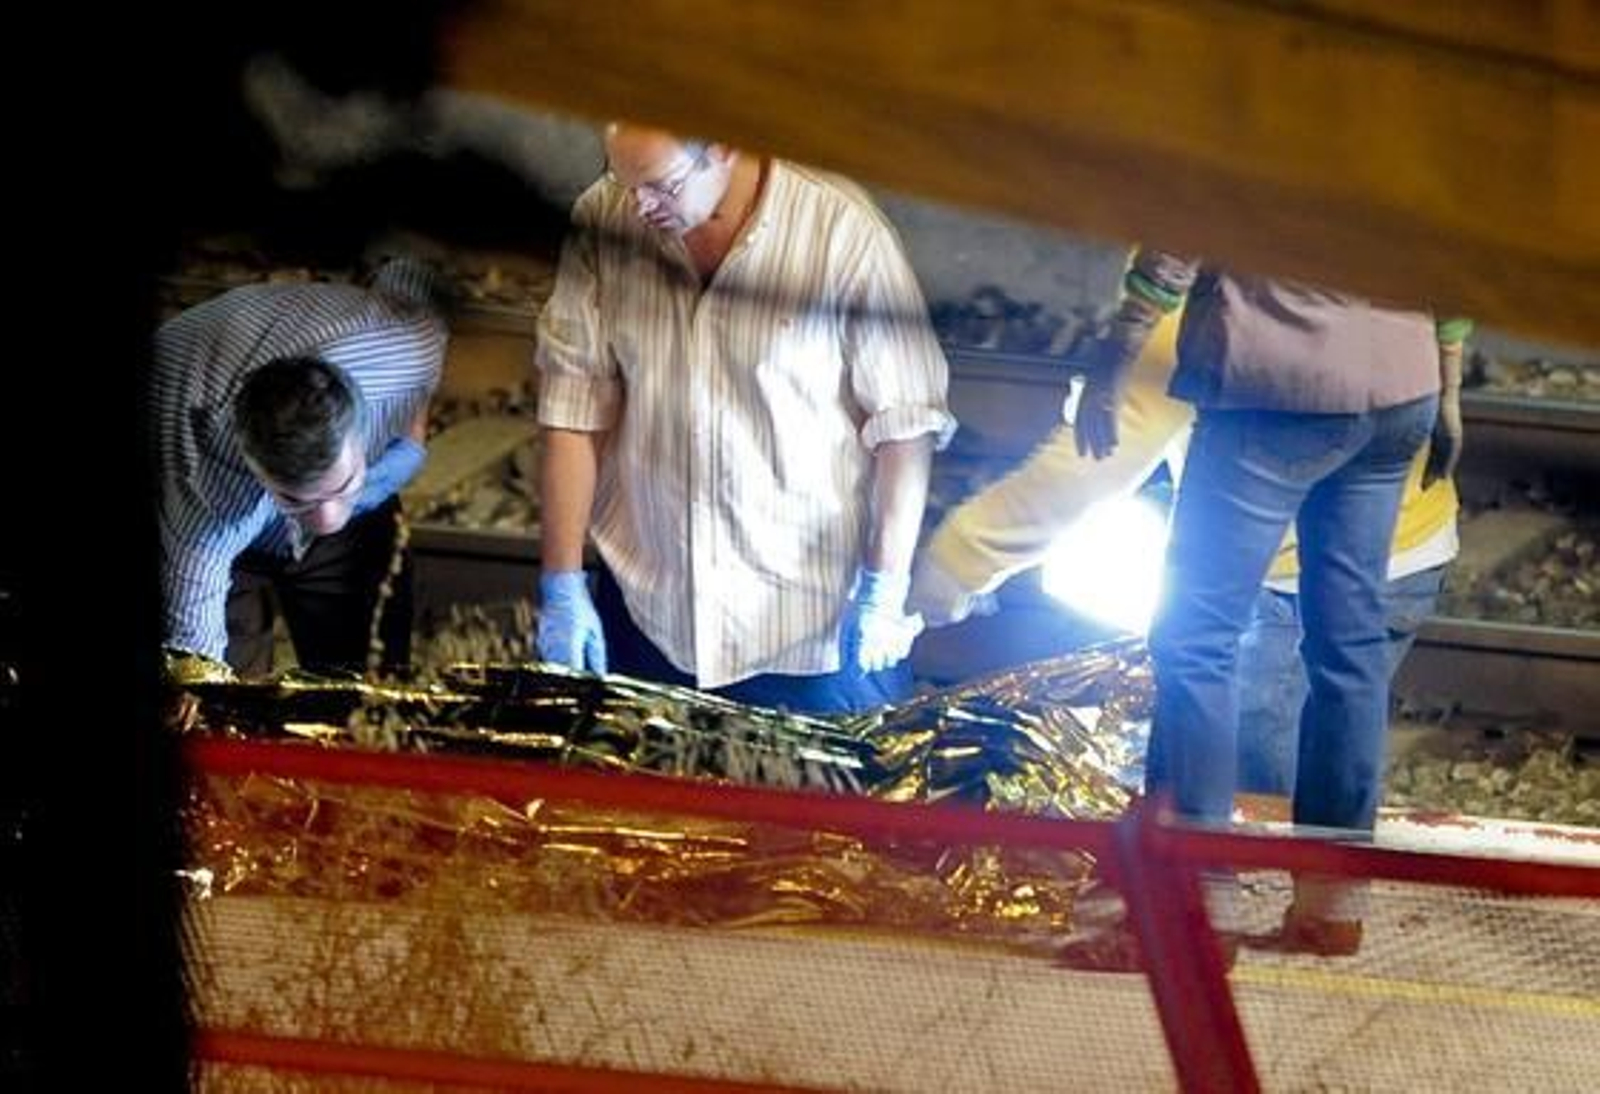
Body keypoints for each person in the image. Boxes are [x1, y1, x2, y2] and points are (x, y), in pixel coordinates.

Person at [1026, 248, 1466, 956]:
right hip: (1398, 394)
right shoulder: (1418, 133)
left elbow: (1181, 234)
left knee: (1198, 638)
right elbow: (1456, 244)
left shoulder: (1257, 130)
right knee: (1348, 647)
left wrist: (1120, 347)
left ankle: (1193, 905)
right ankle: (1334, 900)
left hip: (1275, 390)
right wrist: (1448, 379)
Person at [910, 307, 1462, 799]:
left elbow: (1098, 457)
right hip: (1411, 545)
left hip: (1283, 580)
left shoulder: (1208, 291)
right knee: (1329, 736)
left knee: (1235, 784)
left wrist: (958, 562)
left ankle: (1226, 899)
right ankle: (1325, 895)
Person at [533, 122, 955, 714]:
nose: (639, 207)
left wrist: (885, 587)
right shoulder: (605, 220)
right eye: (624, 183)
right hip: (652, 616)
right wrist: (563, 583)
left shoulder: (840, 228)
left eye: (661, 186)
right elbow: (573, 408)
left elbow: (905, 425)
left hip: (810, 634)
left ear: (724, 147)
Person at [151, 256, 448, 677]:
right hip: (197, 462)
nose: (326, 519)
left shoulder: (407, 345)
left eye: (341, 485)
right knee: (224, 698)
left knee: (370, 683)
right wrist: (196, 681)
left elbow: (413, 269)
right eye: (295, 498)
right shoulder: (206, 494)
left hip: (346, 498)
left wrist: (413, 430)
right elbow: (192, 647)